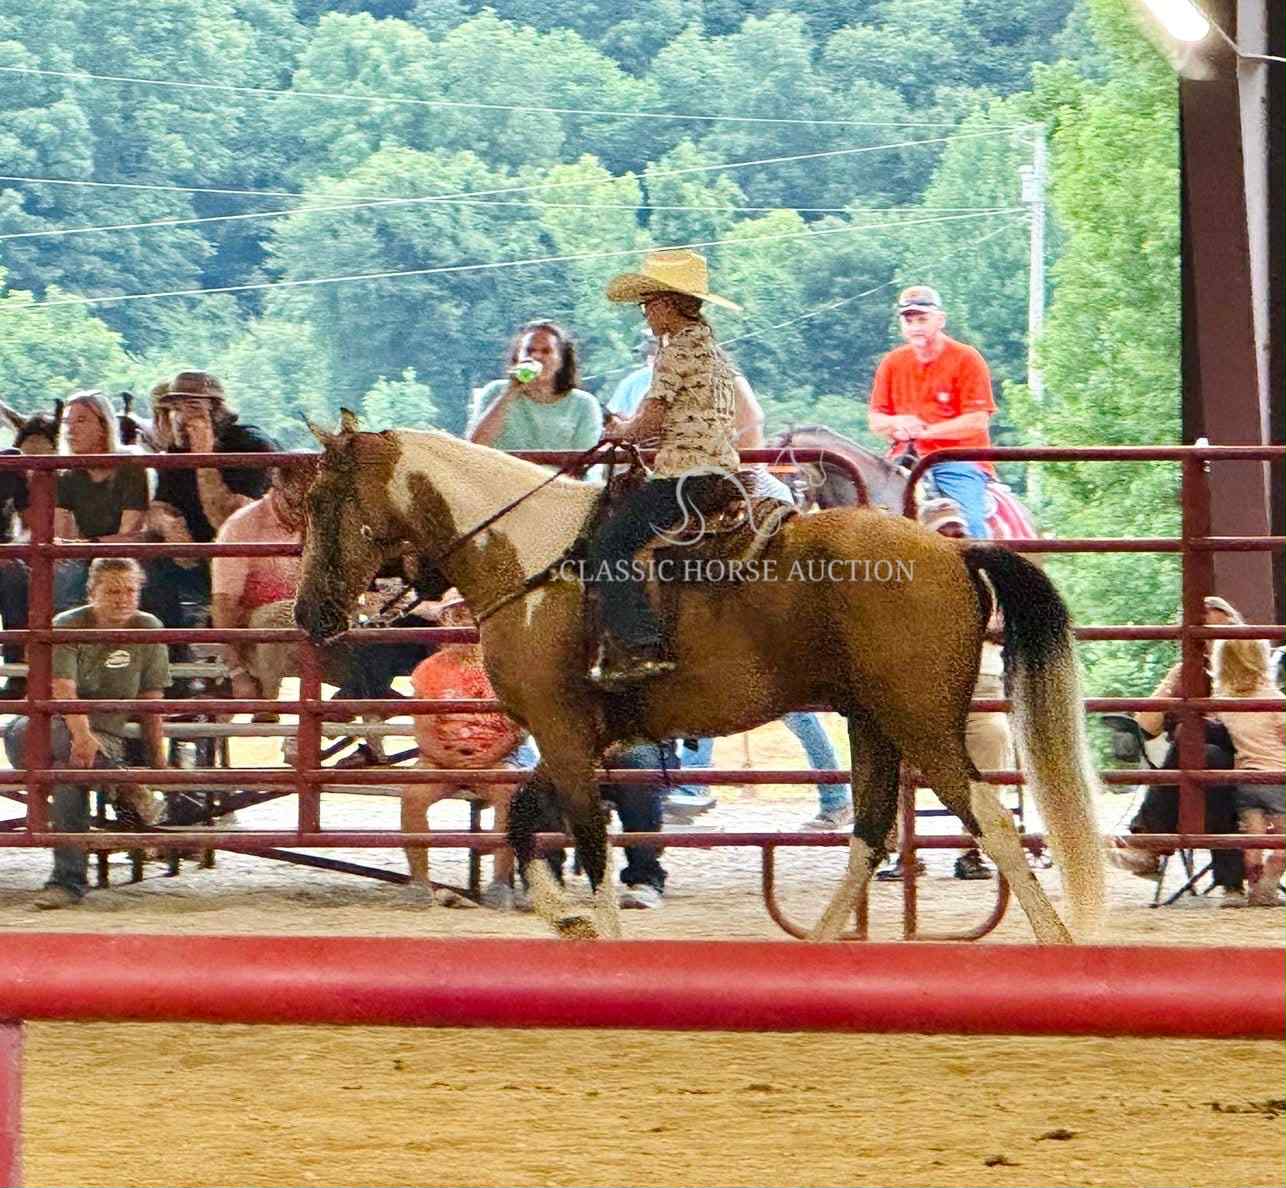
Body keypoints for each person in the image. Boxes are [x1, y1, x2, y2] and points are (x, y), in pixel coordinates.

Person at [594, 248, 742, 687]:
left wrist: (618, 432)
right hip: (720, 471)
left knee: (610, 544)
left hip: (685, 475)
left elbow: (651, 421)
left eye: (647, 304)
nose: (645, 314)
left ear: (665, 303)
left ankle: (641, 644)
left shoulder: (675, 352)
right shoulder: (713, 351)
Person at [2, 557, 170, 909]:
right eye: (112, 591)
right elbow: (63, 688)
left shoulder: (148, 628)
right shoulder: (67, 624)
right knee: (35, 737)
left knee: (69, 777)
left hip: (102, 734)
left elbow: (151, 700)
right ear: (91, 592)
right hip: (46, 726)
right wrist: (81, 736)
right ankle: (124, 784)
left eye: (130, 591)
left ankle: (67, 883)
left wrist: (158, 761)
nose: (123, 599)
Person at [875, 499, 1011, 879]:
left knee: (993, 736)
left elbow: (1005, 627)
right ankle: (901, 850)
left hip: (979, 690)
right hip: (918, 692)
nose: (952, 538)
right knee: (884, 742)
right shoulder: (900, 578)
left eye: (957, 531)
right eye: (943, 532)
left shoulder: (986, 575)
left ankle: (973, 849)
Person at [401, 593, 536, 909]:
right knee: (413, 795)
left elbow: (517, 728)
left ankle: (500, 882)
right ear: (444, 622)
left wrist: (486, 757)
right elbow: (424, 731)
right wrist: (449, 759)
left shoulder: (506, 665)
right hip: (443, 757)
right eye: (455, 615)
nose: (463, 623)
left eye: (470, 614)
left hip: (495, 756)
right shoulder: (428, 670)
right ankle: (419, 881)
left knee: (509, 792)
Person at [1114, 596, 1246, 894]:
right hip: (1194, 780)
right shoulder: (1187, 673)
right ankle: (1231, 884)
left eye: (1221, 635)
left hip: (1238, 758)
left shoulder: (1249, 669)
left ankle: (1149, 843)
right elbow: (1146, 725)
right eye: (1205, 637)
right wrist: (1174, 685)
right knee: (1201, 751)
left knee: (1194, 740)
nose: (1214, 644)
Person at [143, 371, 279, 633]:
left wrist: (204, 457)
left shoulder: (251, 445)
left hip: (250, 561)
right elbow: (157, 507)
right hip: (198, 556)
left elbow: (227, 521)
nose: (181, 418)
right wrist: (169, 525)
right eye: (176, 408)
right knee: (148, 547)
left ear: (217, 411)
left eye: (193, 407)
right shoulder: (177, 450)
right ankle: (170, 646)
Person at [868, 286, 997, 539]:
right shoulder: (892, 362)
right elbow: (875, 420)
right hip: (901, 461)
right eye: (909, 321)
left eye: (922, 319)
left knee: (969, 526)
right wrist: (897, 422)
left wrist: (923, 432)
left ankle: (979, 561)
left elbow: (977, 420)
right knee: (866, 524)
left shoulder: (966, 358)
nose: (915, 327)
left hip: (958, 461)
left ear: (940, 320)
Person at [210, 460, 317, 708]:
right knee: (278, 615)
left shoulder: (323, 521)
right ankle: (270, 702)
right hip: (258, 638)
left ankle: (364, 698)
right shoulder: (242, 526)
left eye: (313, 503)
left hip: (309, 630)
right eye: (296, 503)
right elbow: (224, 605)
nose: (303, 511)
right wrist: (237, 673)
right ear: (276, 489)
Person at [53, 390, 150, 611]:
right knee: (60, 573)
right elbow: (62, 532)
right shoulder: (66, 474)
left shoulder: (130, 466)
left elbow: (130, 534)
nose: (71, 430)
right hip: (85, 553)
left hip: (123, 553)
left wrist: (87, 546)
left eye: (81, 420)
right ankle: (59, 630)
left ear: (103, 427)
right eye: (67, 422)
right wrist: (67, 550)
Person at [1210, 636, 1285, 908]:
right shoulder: (1274, 699)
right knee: (1282, 841)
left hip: (1245, 780)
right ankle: (1266, 888)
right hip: (1278, 777)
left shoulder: (1221, 701)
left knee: (1253, 840)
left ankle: (1252, 885)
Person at [468, 321, 604, 460]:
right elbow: (475, 446)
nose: (536, 356)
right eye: (529, 350)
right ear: (518, 356)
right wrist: (510, 392)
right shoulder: (495, 391)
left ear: (561, 360)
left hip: (558, 474)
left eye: (546, 351)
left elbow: (583, 461)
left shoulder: (583, 404)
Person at [606, 330, 659, 417]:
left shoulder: (633, 380)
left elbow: (615, 416)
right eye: (646, 354)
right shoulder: (633, 380)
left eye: (649, 354)